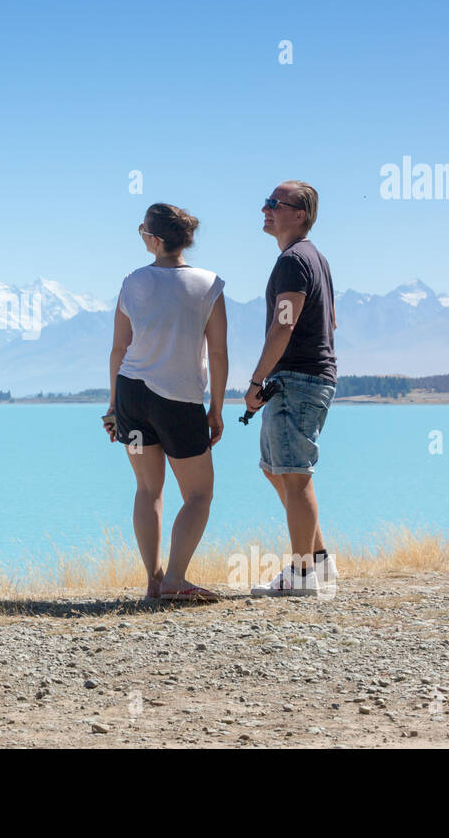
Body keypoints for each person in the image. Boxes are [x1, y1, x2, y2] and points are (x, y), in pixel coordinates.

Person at [103, 203, 228, 601]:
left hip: (132, 398)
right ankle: (175, 578)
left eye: (142, 231)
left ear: (155, 240)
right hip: (179, 403)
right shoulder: (209, 284)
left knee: (147, 489)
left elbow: (119, 349)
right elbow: (220, 353)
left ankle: (154, 582)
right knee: (199, 494)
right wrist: (217, 409)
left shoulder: (132, 282)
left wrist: (112, 408)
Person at [244, 181, 339, 597]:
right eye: (266, 202)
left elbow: (284, 324)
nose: (265, 209)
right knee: (274, 468)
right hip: (305, 379)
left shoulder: (293, 261)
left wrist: (255, 381)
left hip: (297, 380)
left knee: (295, 477)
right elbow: (330, 322)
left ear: (298, 214)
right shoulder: (312, 258)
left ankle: (301, 577)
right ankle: (319, 562)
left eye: (274, 204)